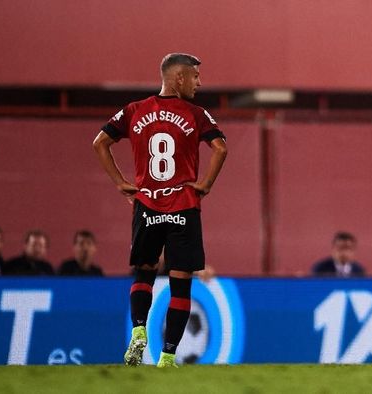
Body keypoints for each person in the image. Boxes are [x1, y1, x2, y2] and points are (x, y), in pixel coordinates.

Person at [92, 53, 228, 368]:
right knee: (181, 282)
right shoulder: (196, 114)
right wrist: (205, 184)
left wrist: (120, 182)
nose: (199, 82)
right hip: (184, 206)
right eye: (195, 76)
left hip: (147, 204)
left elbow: (99, 142)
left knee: (144, 272)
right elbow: (220, 147)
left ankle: (139, 330)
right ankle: (167, 356)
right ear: (178, 78)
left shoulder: (134, 111)